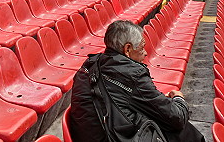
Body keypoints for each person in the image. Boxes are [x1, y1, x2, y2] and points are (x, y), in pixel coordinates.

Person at [69, 20, 205, 142]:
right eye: (141, 48)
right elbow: (176, 118)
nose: (145, 53)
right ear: (127, 49)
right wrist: (178, 99)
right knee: (182, 130)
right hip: (110, 136)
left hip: (96, 133)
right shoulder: (131, 74)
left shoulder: (91, 63)